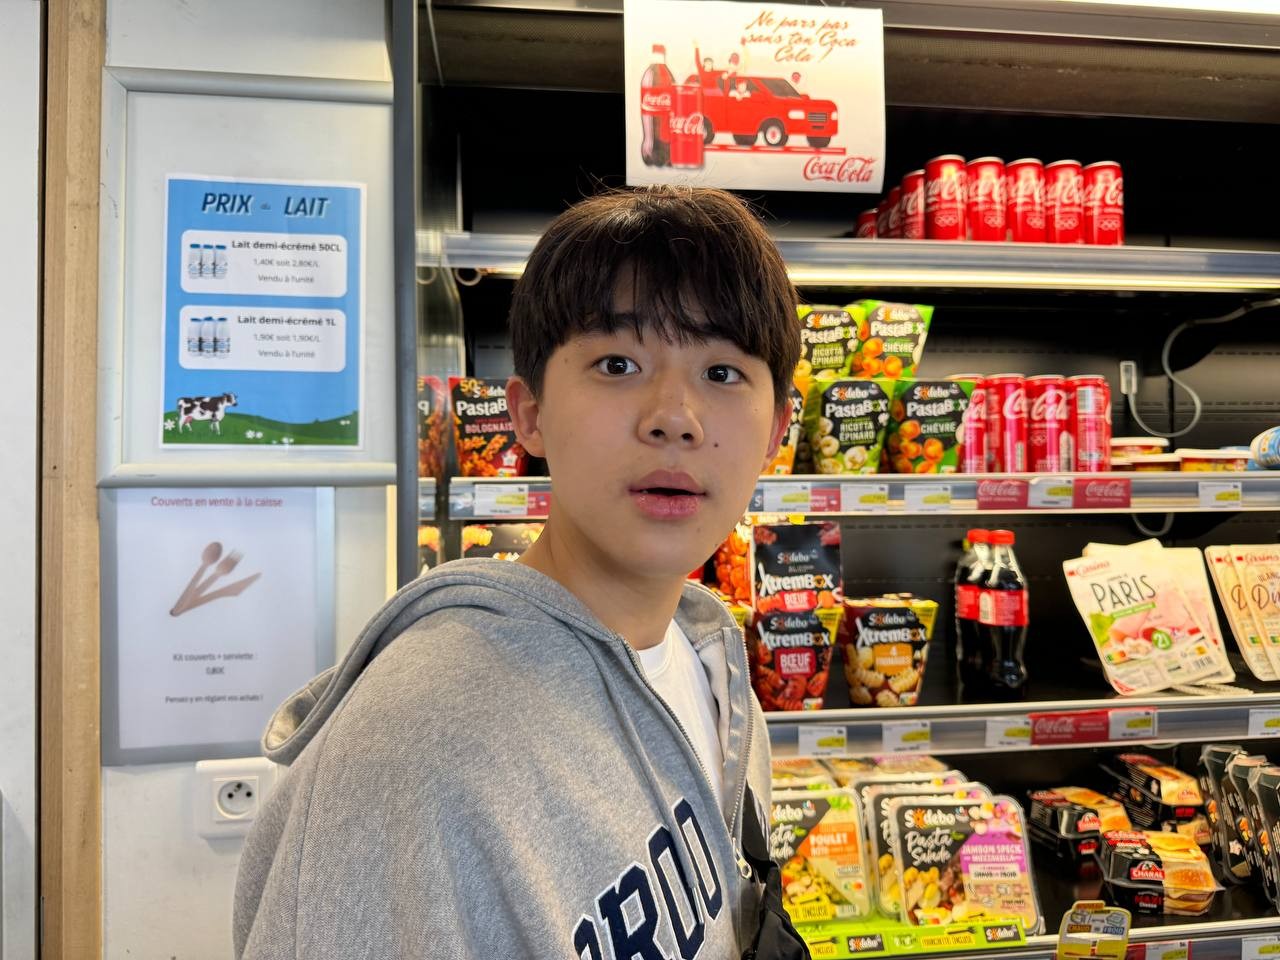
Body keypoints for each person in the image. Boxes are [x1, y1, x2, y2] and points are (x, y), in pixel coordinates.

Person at [232, 186, 801, 959]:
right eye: (618, 363)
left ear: (776, 430)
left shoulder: (716, 673)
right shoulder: (410, 749)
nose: (675, 417)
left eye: (724, 373)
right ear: (528, 414)